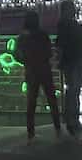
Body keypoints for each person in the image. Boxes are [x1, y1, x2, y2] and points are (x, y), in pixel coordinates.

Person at [19, 11, 60, 141]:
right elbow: (49, 51)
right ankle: (57, 126)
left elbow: (16, 53)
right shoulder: (43, 34)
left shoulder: (23, 36)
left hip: (31, 71)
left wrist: (26, 60)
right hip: (44, 69)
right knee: (51, 99)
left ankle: (30, 131)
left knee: (31, 101)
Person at [54, 0, 82, 133]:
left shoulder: (65, 25)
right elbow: (61, 45)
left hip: (75, 61)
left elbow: (60, 45)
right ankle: (72, 121)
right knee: (74, 91)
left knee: (73, 91)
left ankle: (71, 120)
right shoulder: (67, 25)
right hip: (74, 61)